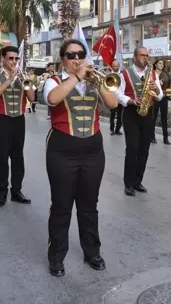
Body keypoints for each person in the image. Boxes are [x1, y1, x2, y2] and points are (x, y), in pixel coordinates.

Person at [43, 40, 118, 276]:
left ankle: (92, 252)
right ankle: (56, 256)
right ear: (62, 58)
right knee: (62, 206)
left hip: (93, 151)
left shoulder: (94, 81)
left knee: (89, 206)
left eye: (80, 54)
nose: (76, 58)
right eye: (70, 55)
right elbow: (53, 99)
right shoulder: (53, 81)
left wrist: (96, 80)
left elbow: (113, 103)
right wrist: (75, 77)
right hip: (61, 151)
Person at [0, 46, 35, 208]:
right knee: (2, 157)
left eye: (16, 59)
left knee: (18, 157)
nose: (14, 61)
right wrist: (9, 79)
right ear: (3, 59)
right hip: (2, 120)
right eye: (11, 58)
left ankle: (17, 191)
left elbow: (32, 98)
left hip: (19, 119)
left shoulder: (23, 75)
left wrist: (24, 81)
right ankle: (2, 193)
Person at [115, 47, 163, 196]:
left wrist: (156, 90)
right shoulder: (124, 73)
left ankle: (138, 181)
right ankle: (128, 183)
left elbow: (160, 97)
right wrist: (130, 100)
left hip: (147, 113)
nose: (145, 58)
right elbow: (117, 93)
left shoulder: (152, 73)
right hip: (131, 113)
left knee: (144, 150)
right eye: (142, 55)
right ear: (134, 57)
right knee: (132, 149)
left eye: (147, 56)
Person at [152, 58, 171, 145]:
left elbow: (169, 85)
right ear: (156, 64)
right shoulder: (152, 73)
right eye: (159, 63)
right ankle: (152, 137)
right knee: (153, 117)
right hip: (154, 97)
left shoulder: (165, 73)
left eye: (162, 64)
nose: (161, 65)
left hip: (164, 97)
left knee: (164, 118)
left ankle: (165, 138)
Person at [108, 60, 123, 135]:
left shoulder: (122, 74)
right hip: (113, 97)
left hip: (121, 98)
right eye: (113, 66)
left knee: (120, 115)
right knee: (112, 115)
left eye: (116, 66)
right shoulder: (109, 75)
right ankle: (112, 129)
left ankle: (118, 129)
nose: (114, 68)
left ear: (119, 66)